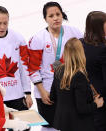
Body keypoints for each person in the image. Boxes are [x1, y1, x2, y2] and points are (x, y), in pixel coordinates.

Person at [28, 1, 83, 131]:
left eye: (58, 14)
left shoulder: (74, 32)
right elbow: (33, 68)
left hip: (69, 86)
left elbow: (82, 56)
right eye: (51, 16)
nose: (56, 18)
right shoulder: (38, 39)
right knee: (50, 126)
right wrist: (42, 91)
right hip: (47, 88)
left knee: (70, 124)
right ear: (45, 19)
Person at [50, 37, 104, 131]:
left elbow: (52, 97)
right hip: (79, 125)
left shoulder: (58, 70)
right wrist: (96, 104)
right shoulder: (79, 76)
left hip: (64, 123)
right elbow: (82, 109)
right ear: (81, 52)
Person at [80, 11, 106, 131]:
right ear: (99, 27)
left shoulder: (80, 43)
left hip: (84, 99)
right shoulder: (102, 49)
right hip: (101, 100)